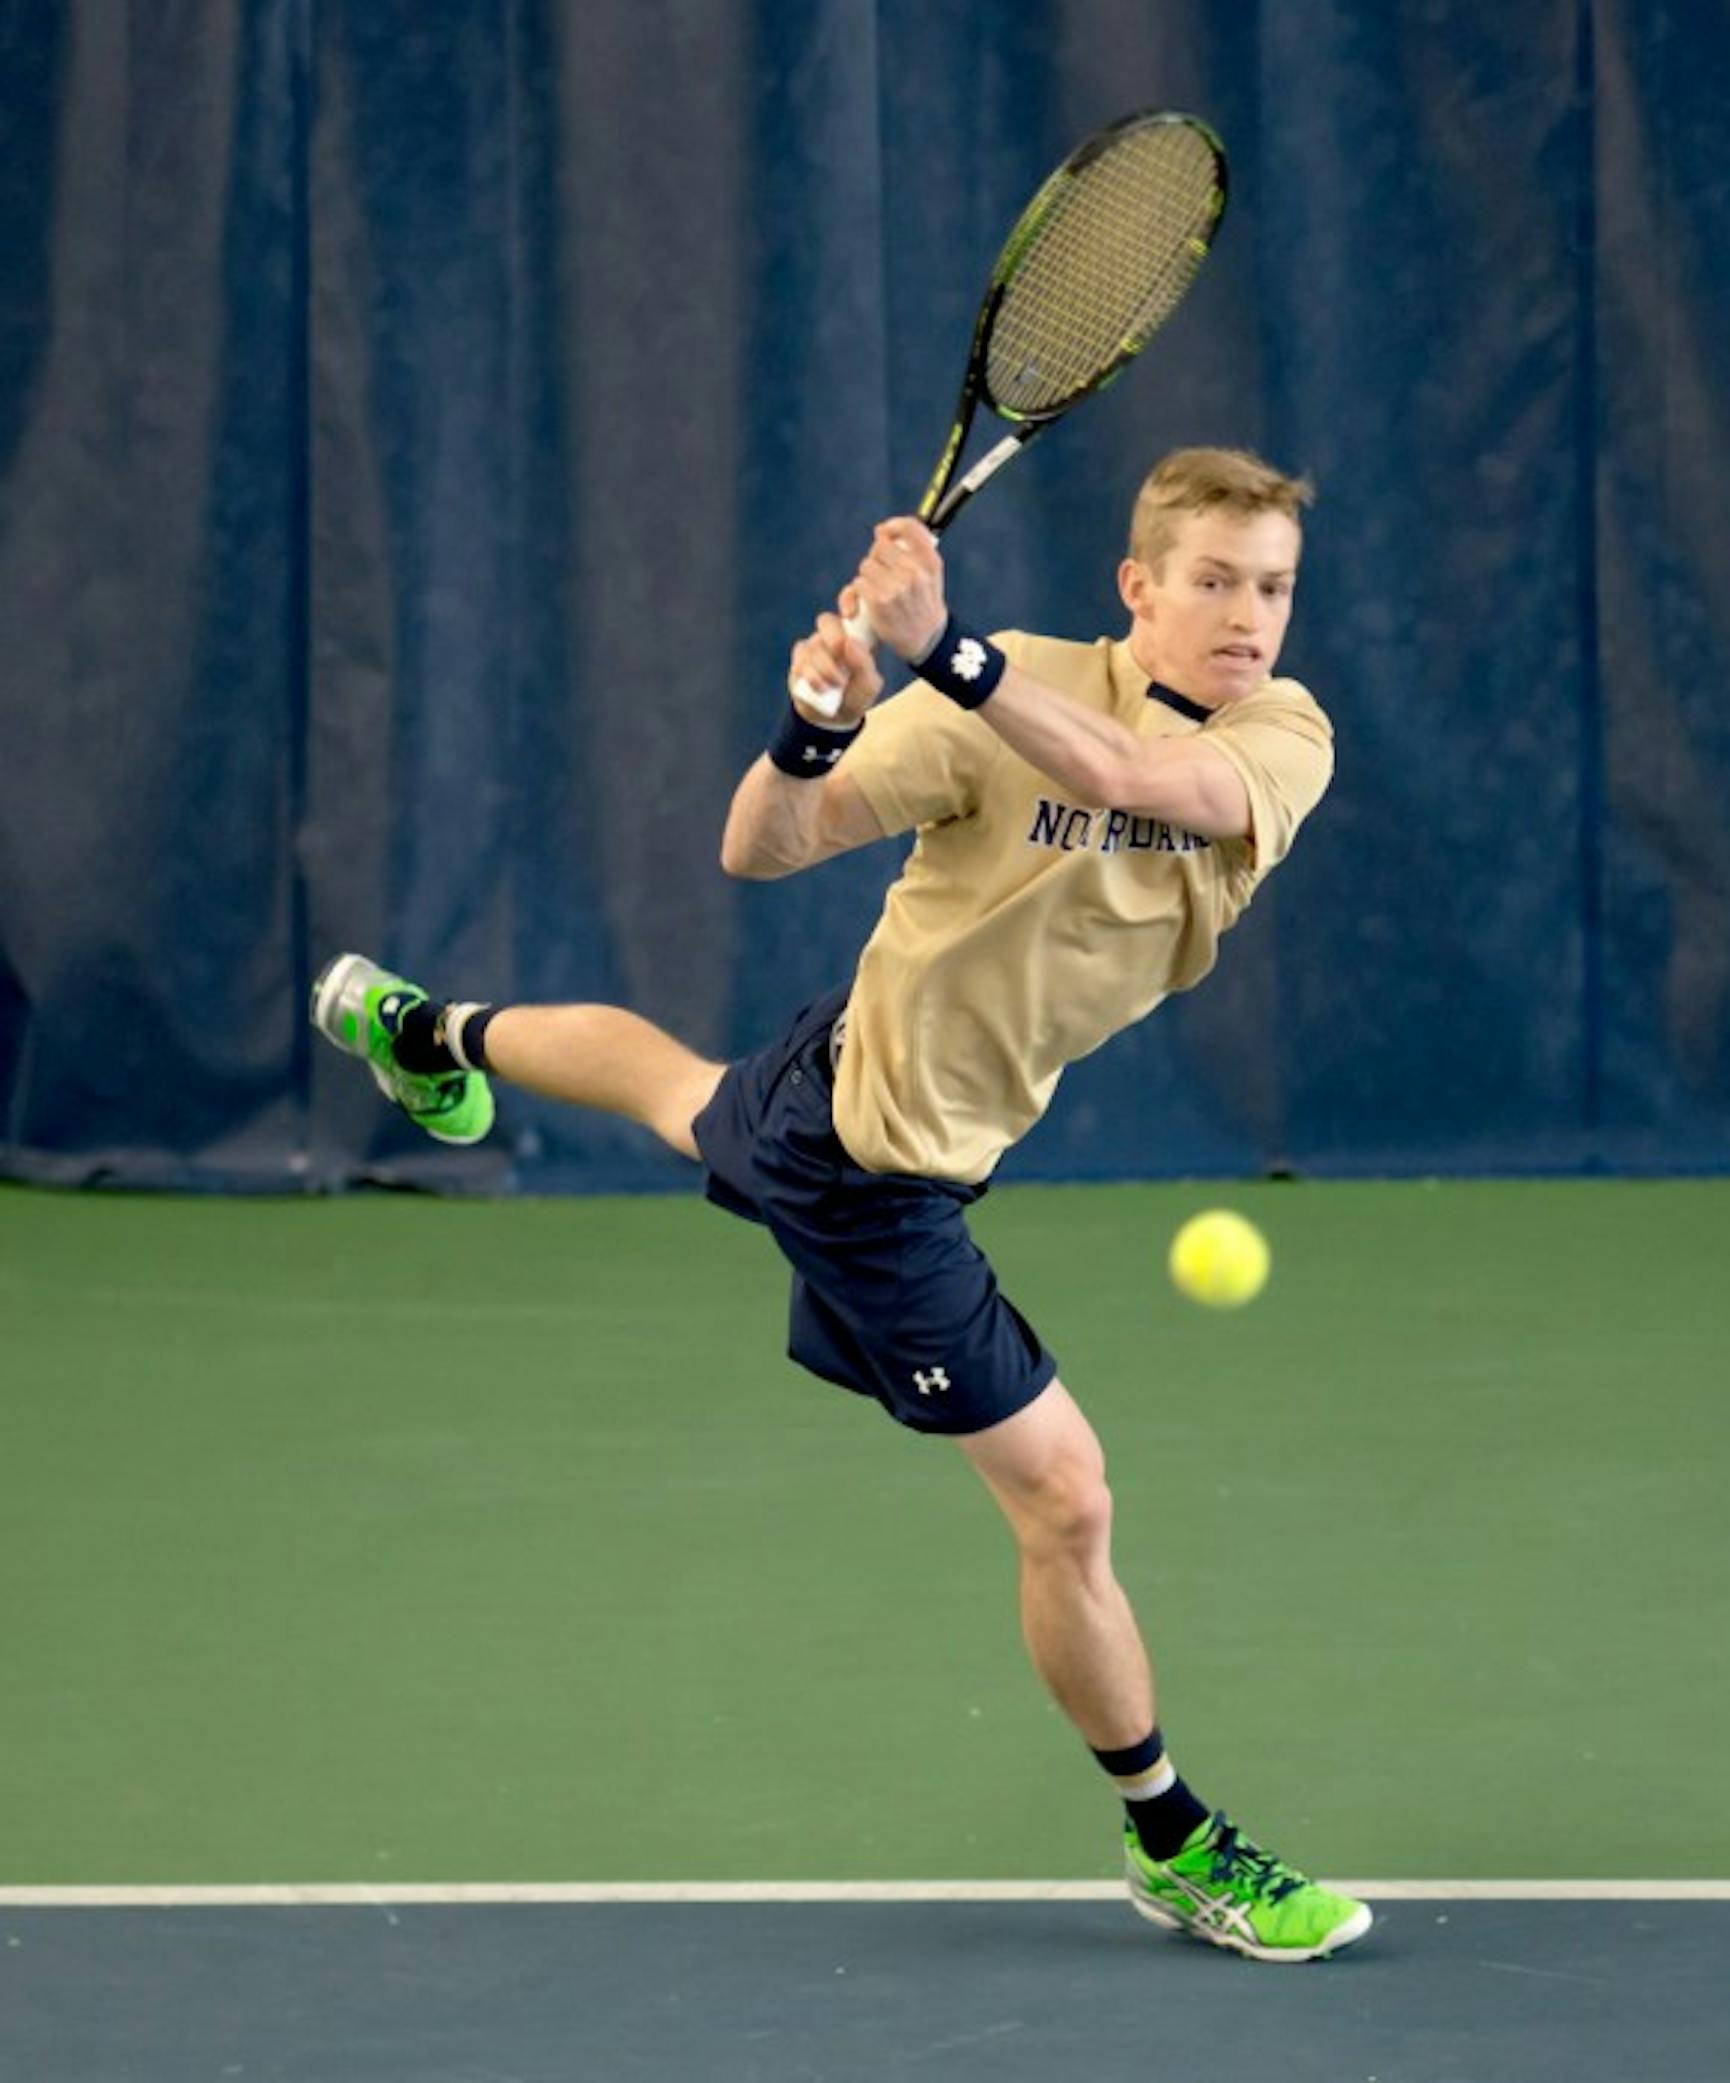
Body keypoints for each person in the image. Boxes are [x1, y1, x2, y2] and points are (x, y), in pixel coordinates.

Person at [310, 446, 1370, 1964]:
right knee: (1066, 1501)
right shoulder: (1005, 689)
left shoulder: (1282, 732)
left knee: (682, 1094)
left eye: (1273, 586)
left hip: (853, 1086)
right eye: (1214, 581)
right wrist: (809, 730)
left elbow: (1140, 782)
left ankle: (426, 1033)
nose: (1249, 615)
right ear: (1139, 586)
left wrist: (949, 653)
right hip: (876, 1176)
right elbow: (761, 844)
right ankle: (1174, 1838)